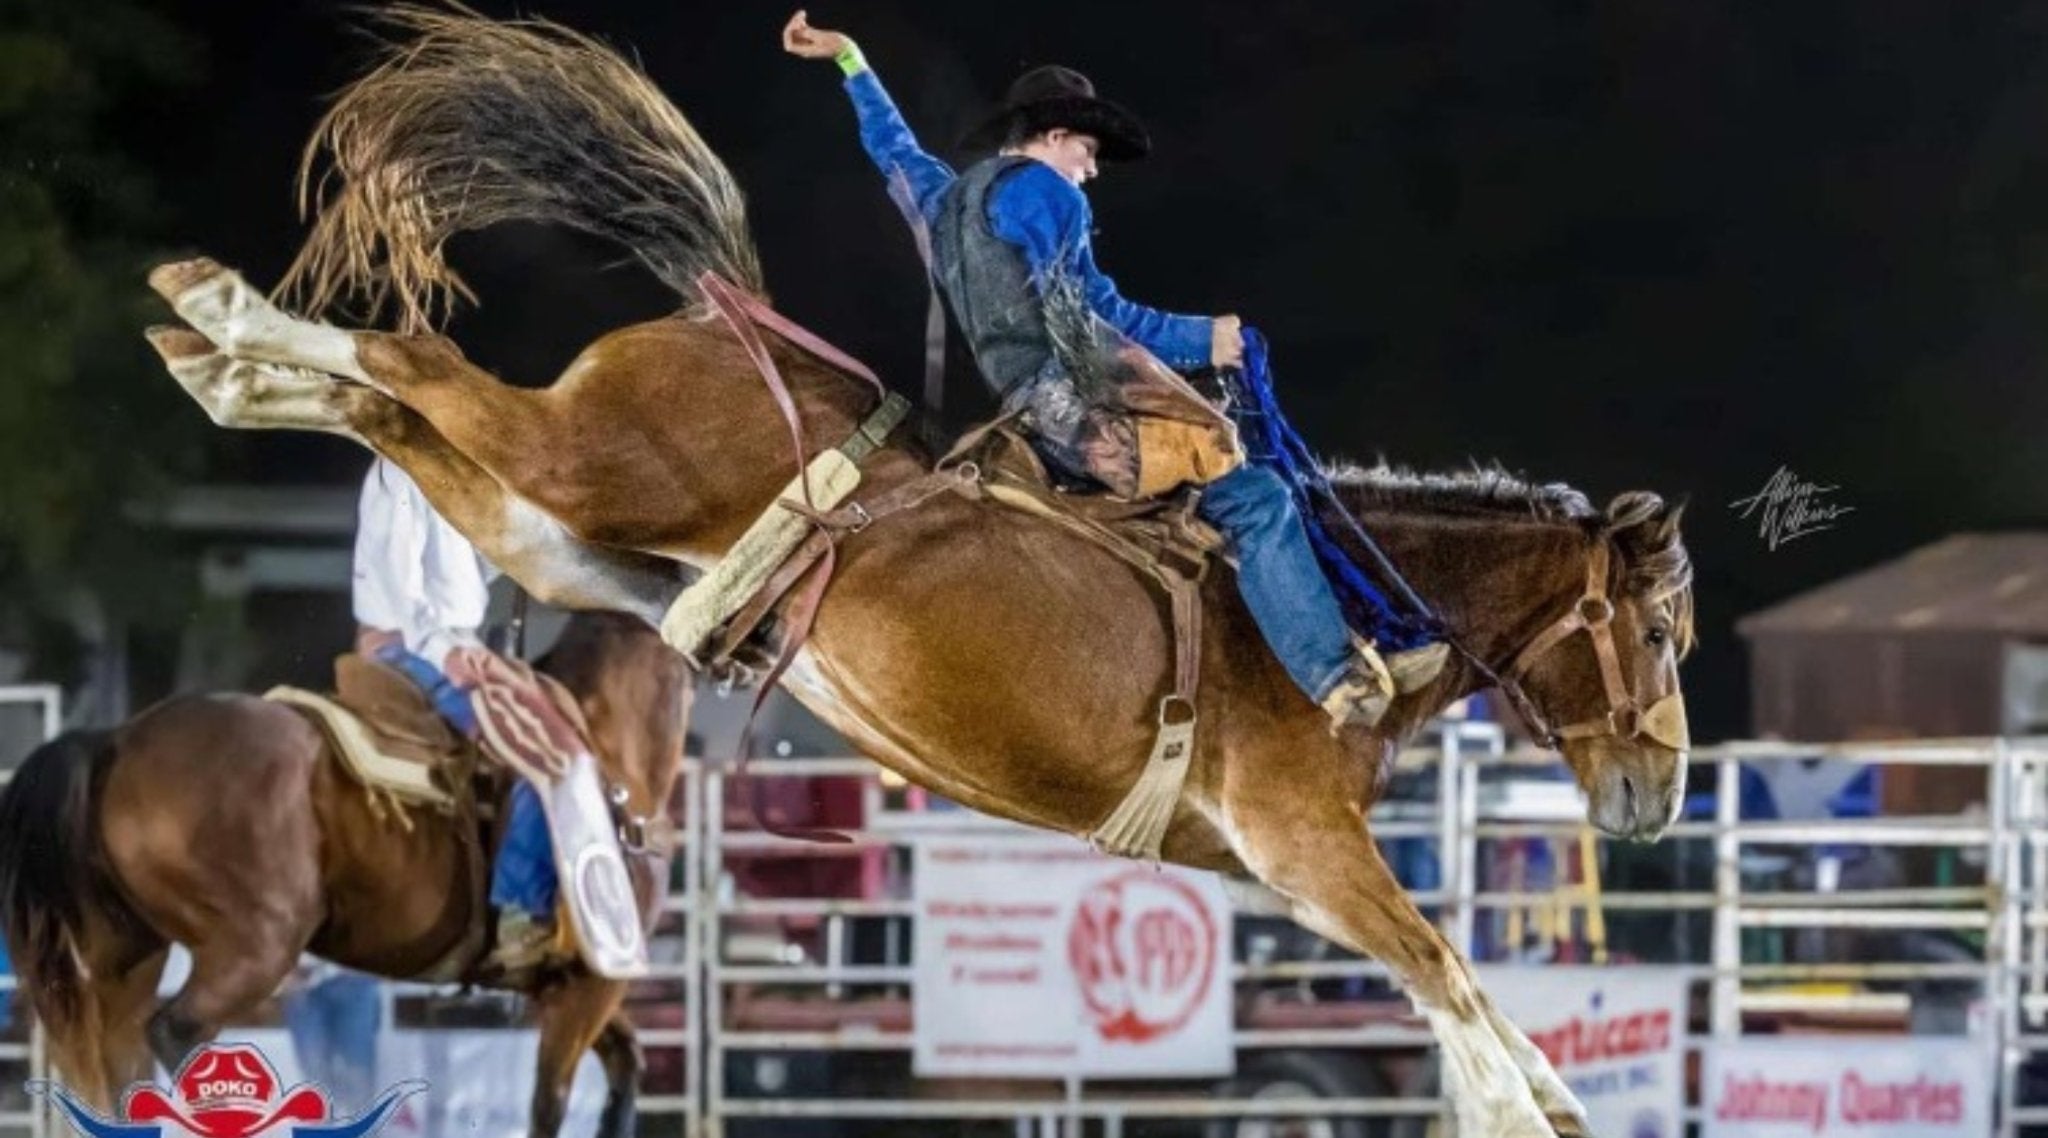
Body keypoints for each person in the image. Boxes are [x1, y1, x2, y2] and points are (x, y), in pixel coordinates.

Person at [781, 12, 1446, 731]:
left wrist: (851, 62)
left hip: (1016, 410)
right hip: (1076, 412)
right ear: (1056, 136)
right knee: (1254, 495)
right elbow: (1093, 313)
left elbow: (892, 146)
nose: (1092, 170)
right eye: (1088, 151)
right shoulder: (1049, 194)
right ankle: (1330, 672)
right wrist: (1205, 340)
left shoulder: (948, 201)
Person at [352, 456, 557, 971]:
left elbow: (459, 578)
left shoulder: (440, 473)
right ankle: (517, 917)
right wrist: (446, 653)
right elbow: (406, 595)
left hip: (443, 642)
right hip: (412, 650)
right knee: (530, 762)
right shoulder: (401, 473)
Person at [280, 959, 382, 1111]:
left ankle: (363, 1130)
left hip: (353, 978)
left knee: (357, 1072)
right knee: (314, 1075)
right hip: (302, 983)